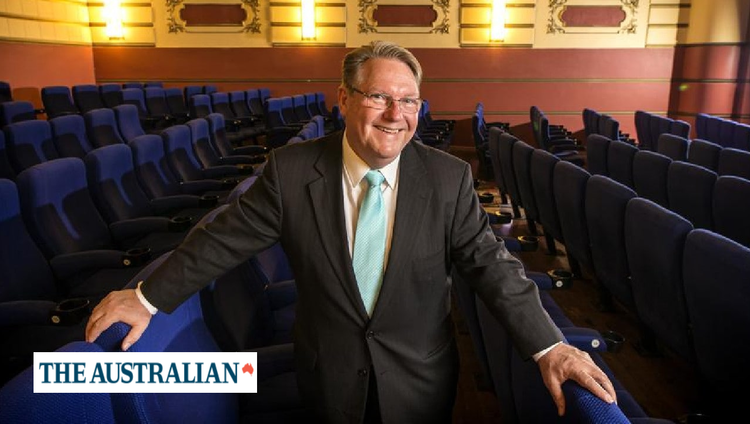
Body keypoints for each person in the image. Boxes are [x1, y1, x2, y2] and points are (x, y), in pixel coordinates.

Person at [86, 40, 616, 423]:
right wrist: (146, 296)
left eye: (409, 101)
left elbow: (492, 266)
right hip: (328, 378)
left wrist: (551, 347)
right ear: (343, 98)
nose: (396, 115)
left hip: (420, 384)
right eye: (379, 98)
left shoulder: (448, 176)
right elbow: (223, 238)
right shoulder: (292, 170)